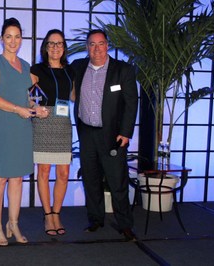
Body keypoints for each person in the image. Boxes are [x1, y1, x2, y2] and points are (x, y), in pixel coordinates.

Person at [0, 17, 49, 246]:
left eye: (17, 36)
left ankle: (13, 222)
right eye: (9, 36)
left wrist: (36, 109)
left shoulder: (26, 67)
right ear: (2, 39)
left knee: (17, 179)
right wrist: (17, 109)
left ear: (22, 39)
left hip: (22, 126)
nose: (13, 41)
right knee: (0, 177)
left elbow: (29, 98)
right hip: (2, 125)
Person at [71, 29, 138, 241]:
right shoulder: (78, 67)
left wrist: (126, 133)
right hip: (87, 133)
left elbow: (131, 104)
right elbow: (57, 76)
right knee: (91, 180)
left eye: (101, 44)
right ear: (87, 47)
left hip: (112, 136)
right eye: (92, 44)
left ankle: (125, 224)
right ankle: (96, 219)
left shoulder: (123, 70)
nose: (97, 49)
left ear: (107, 45)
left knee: (117, 181)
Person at [30, 29, 75, 236]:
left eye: (59, 44)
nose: (56, 47)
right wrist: (35, 109)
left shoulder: (70, 70)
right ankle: (48, 215)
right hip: (44, 121)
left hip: (64, 123)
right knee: (44, 171)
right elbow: (26, 96)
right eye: (51, 43)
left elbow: (74, 96)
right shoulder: (36, 69)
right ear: (45, 47)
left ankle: (57, 212)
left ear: (64, 47)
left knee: (64, 173)